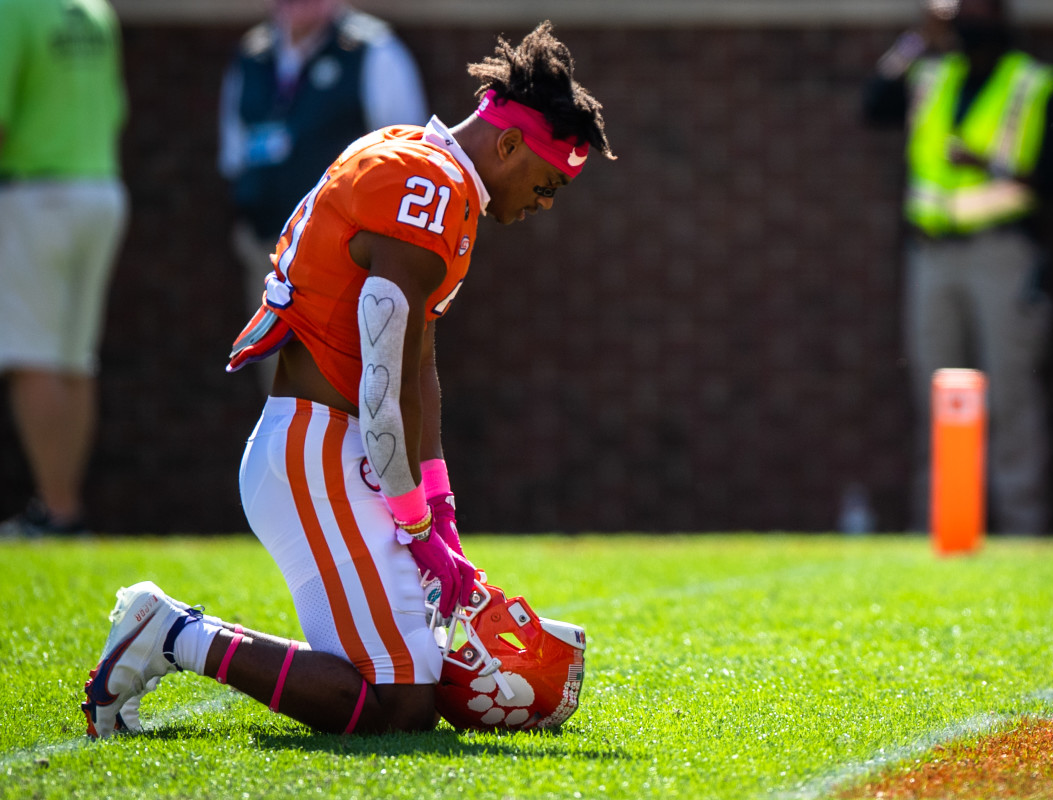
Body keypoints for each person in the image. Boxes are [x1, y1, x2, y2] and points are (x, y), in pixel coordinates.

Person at [82, 21, 613, 738]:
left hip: (337, 451)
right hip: (316, 451)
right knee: (401, 706)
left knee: (410, 691)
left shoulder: (431, 171)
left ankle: (175, 634)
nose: (545, 203)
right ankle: (171, 633)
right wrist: (415, 527)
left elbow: (419, 365)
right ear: (511, 144)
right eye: (548, 184)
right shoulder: (428, 188)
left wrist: (439, 505)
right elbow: (381, 385)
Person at [863, 0, 1053, 534]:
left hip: (1000, 253)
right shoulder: (933, 75)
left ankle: (1023, 530)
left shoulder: (1031, 83)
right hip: (931, 254)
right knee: (937, 394)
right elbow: (873, 105)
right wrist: (915, 40)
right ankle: (942, 527)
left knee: (1010, 394)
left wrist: (987, 165)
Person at [218, 0, 429, 391]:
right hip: (271, 254)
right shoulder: (251, 55)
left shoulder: (373, 49)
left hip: (348, 260)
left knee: (350, 386)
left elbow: (411, 160)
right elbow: (235, 155)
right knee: (281, 387)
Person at [0, 0, 128, 537]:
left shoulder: (13, 10)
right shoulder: (96, 10)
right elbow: (116, 108)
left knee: (32, 358)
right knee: (75, 361)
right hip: (100, 190)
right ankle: (64, 508)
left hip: (38, 192)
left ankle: (55, 510)